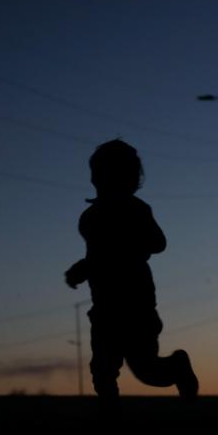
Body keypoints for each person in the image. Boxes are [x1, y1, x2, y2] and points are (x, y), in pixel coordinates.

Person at [65, 140, 198, 414]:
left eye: (110, 174)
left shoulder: (137, 210)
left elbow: (158, 243)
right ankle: (110, 414)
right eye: (99, 174)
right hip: (104, 307)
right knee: (102, 366)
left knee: (147, 371)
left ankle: (177, 367)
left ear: (130, 179)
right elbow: (98, 256)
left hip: (137, 306)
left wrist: (123, 249)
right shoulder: (91, 217)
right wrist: (84, 268)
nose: (102, 180)